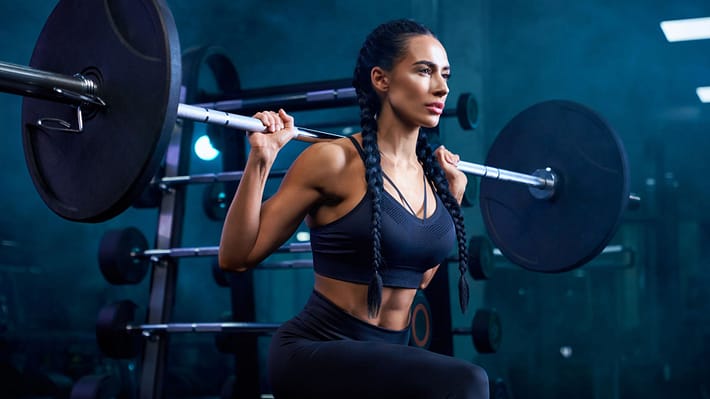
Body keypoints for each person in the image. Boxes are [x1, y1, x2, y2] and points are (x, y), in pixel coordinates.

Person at [219, 19, 489, 399]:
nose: (442, 87)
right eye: (424, 71)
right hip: (317, 351)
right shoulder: (334, 161)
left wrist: (453, 195)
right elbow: (236, 257)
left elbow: (420, 277)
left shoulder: (433, 179)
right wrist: (261, 160)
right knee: (468, 383)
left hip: (386, 356)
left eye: (445, 74)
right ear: (381, 79)